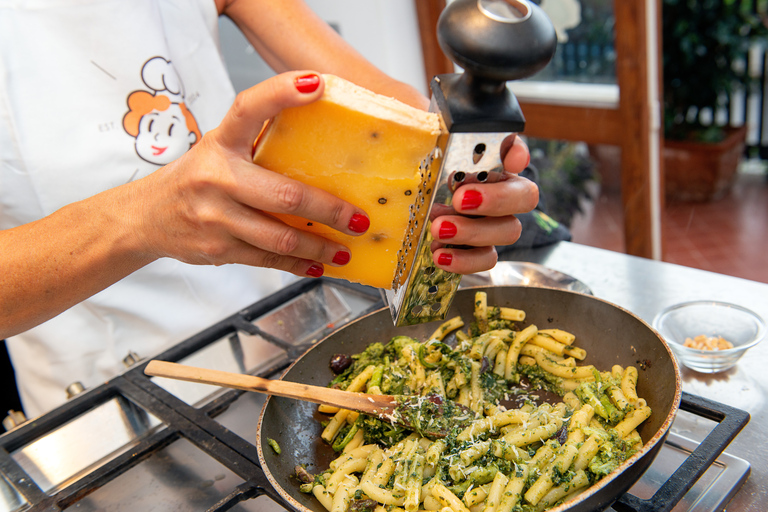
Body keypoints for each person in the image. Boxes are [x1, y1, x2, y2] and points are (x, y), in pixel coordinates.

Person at [0, 0, 537, 418]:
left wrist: (454, 144)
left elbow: (376, 103)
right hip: (96, 399)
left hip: (266, 331)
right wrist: (144, 217)